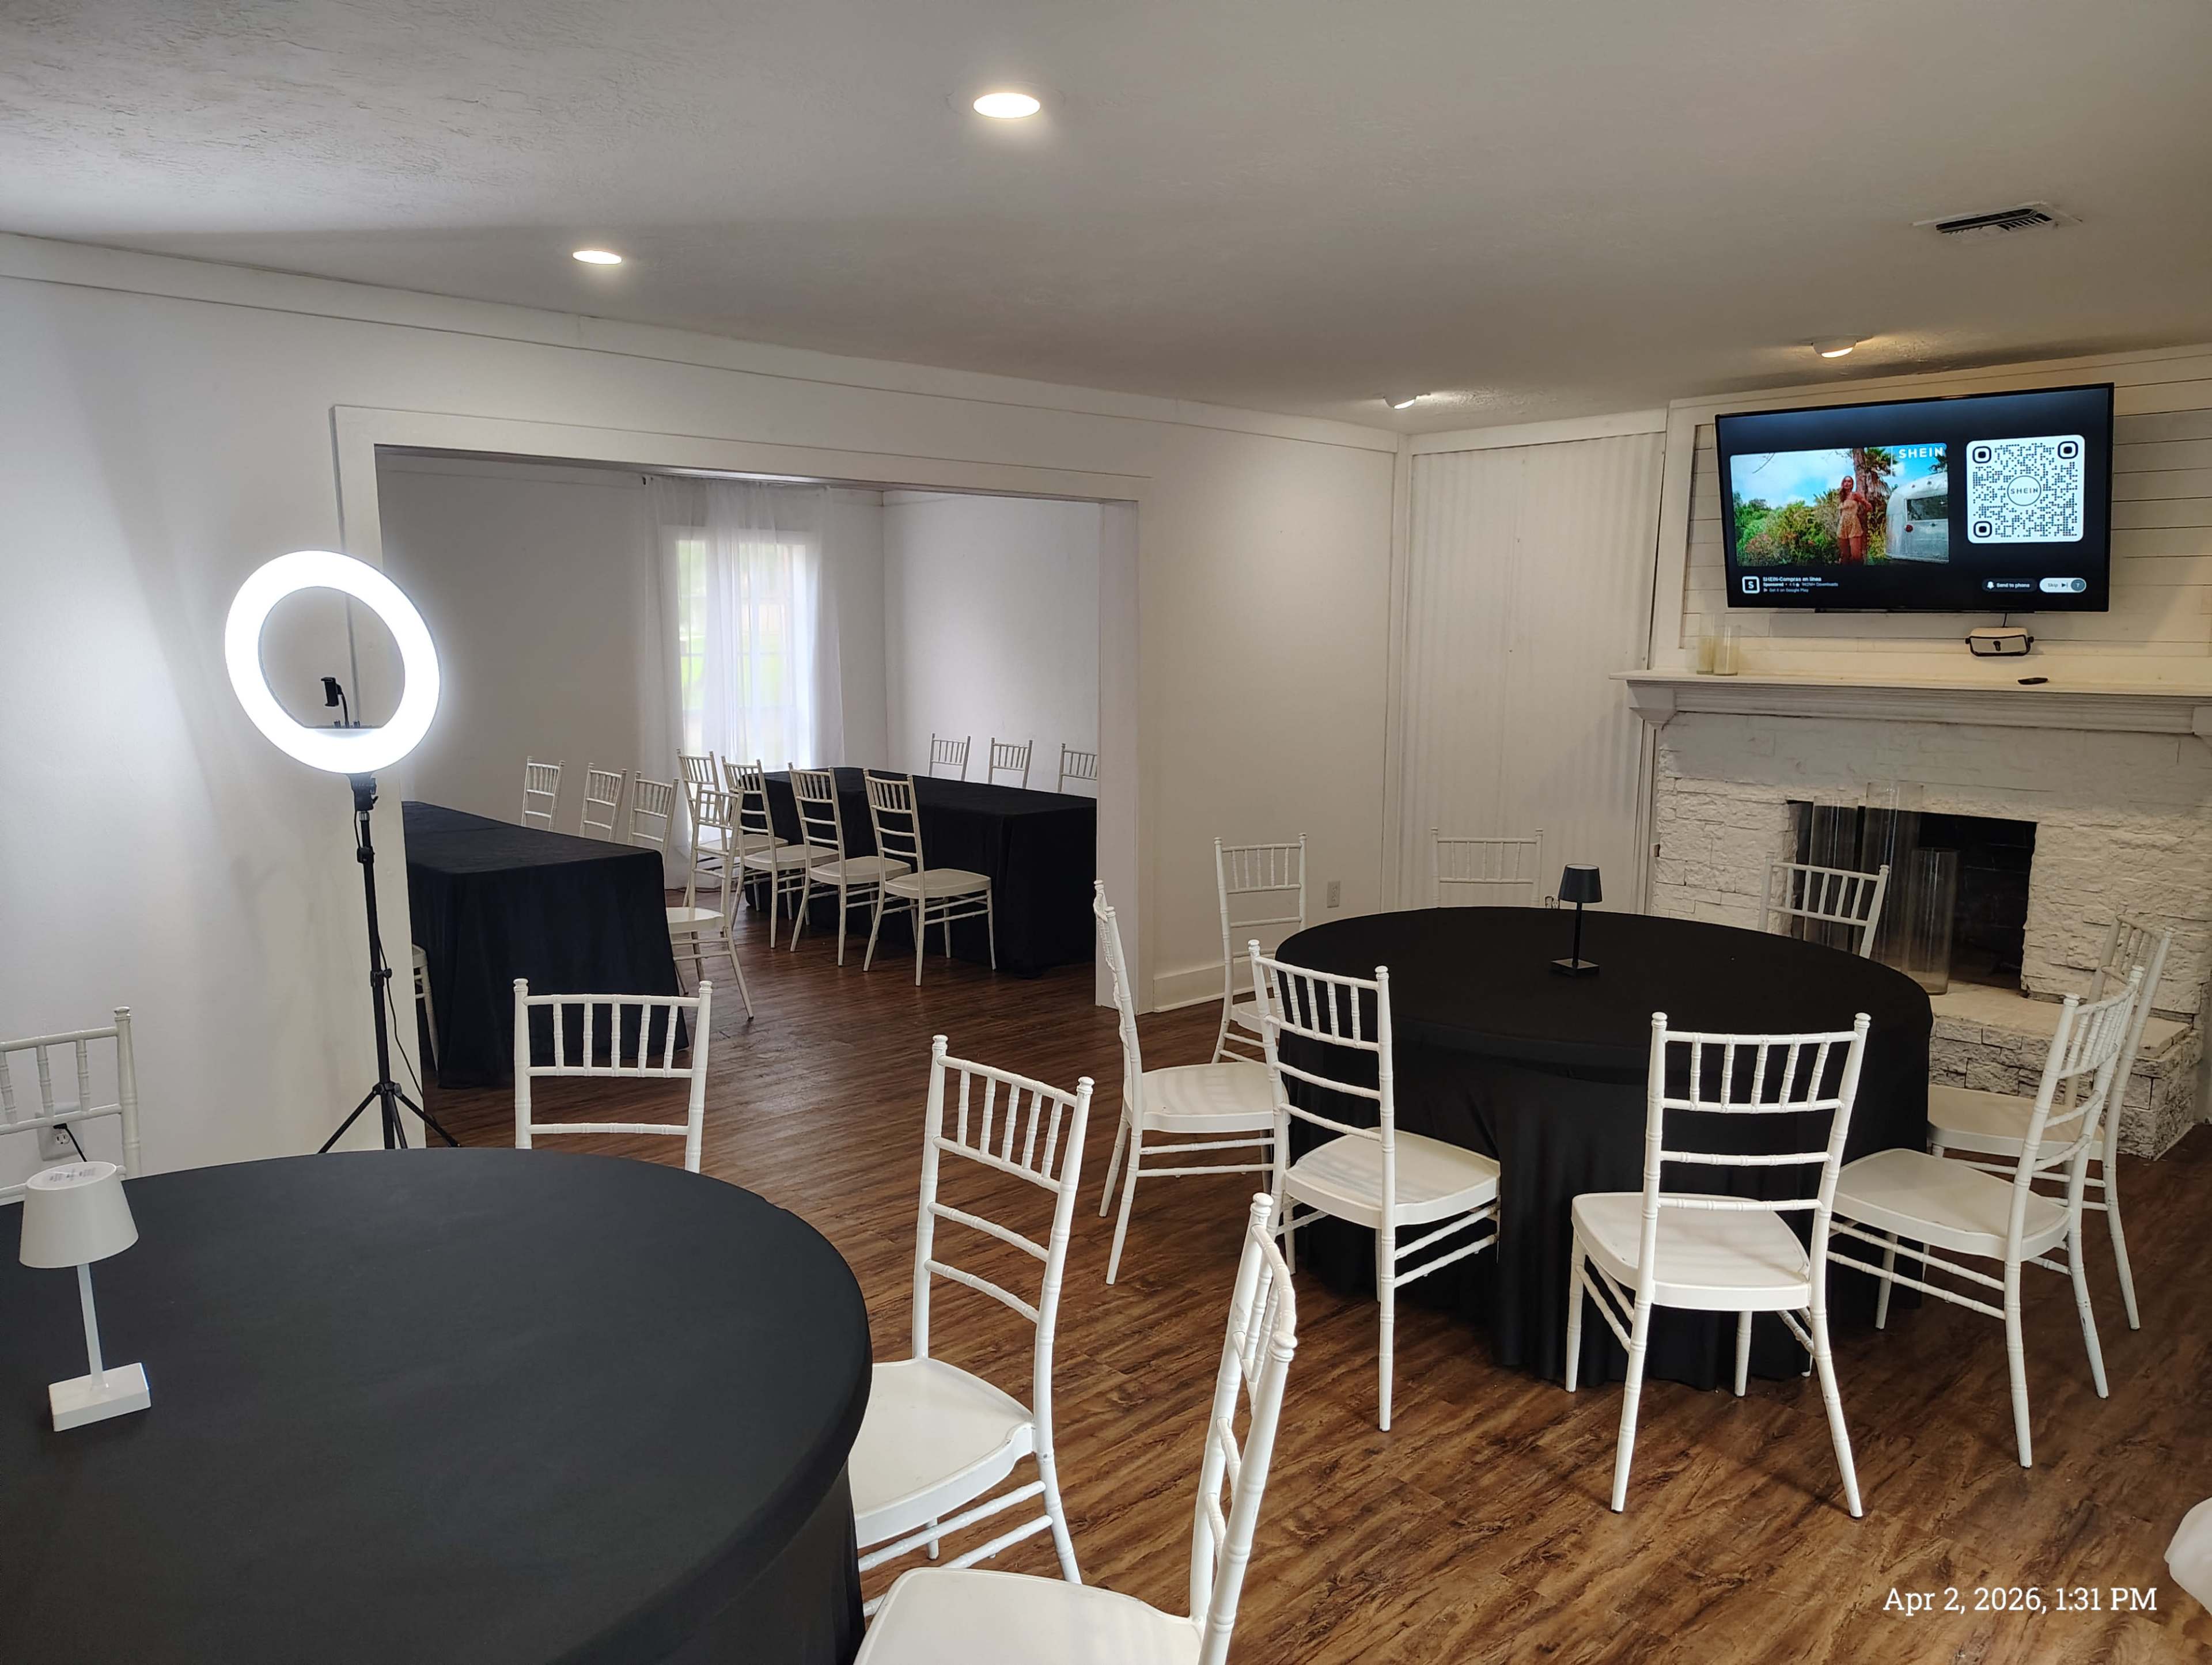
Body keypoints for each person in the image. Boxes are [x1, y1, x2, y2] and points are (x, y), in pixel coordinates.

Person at [1835, 475, 1868, 564]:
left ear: (1852, 484)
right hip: (1843, 525)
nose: (1847, 483)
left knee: (1856, 555)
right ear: (1843, 483)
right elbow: (1841, 513)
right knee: (1844, 555)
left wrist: (1863, 514)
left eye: (1849, 481)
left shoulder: (1855, 495)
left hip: (1853, 524)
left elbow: (1867, 505)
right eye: (1845, 481)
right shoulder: (1841, 497)